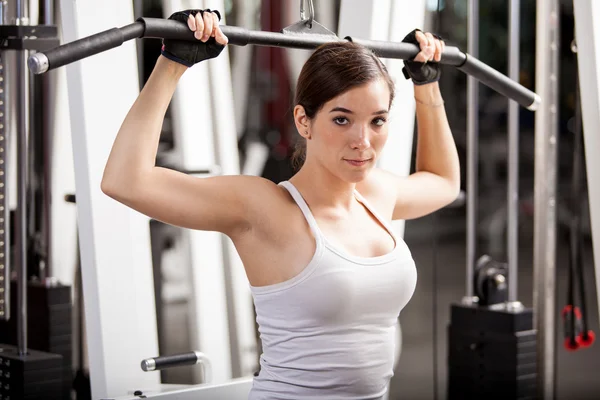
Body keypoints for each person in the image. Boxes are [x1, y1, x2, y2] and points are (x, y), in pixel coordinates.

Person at [101, 9, 460, 400]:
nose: (363, 140)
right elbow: (126, 181)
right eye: (342, 120)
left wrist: (427, 83)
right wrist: (172, 64)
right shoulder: (265, 208)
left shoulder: (377, 195)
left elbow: (443, 182)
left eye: (377, 121)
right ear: (304, 122)